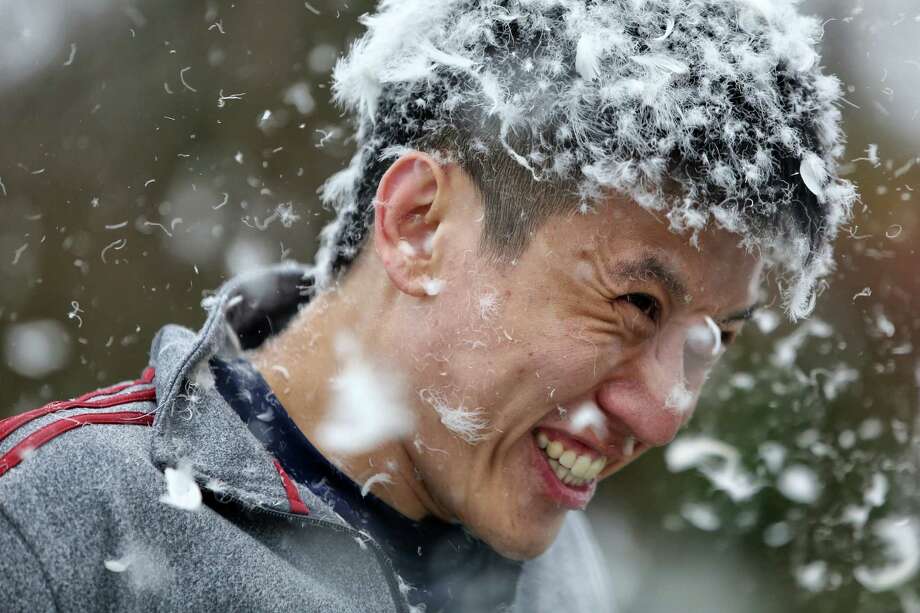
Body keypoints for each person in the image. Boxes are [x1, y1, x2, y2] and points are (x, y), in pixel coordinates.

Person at [0, 1, 855, 611]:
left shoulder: (564, 570)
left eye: (708, 343)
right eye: (635, 303)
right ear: (418, 223)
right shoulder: (52, 528)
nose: (664, 415)